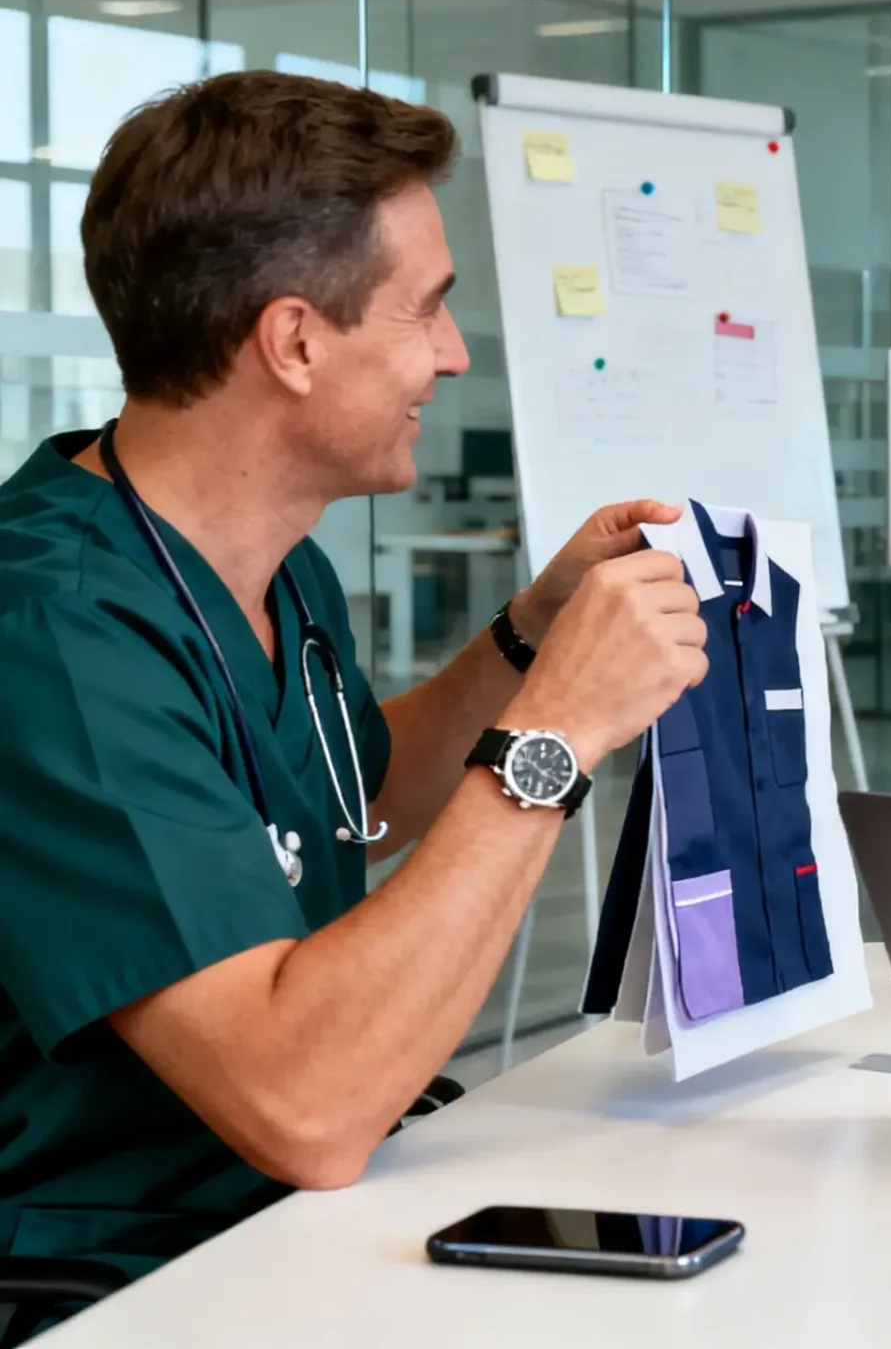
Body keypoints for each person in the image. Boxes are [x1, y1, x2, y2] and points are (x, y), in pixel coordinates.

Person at [0, 71, 706, 1285]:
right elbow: (306, 1105)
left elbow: (347, 801)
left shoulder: (271, 567)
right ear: (294, 340)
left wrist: (530, 635)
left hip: (299, 1203)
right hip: (126, 1262)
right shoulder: (54, 631)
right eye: (424, 309)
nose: (453, 352)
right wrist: (556, 729)